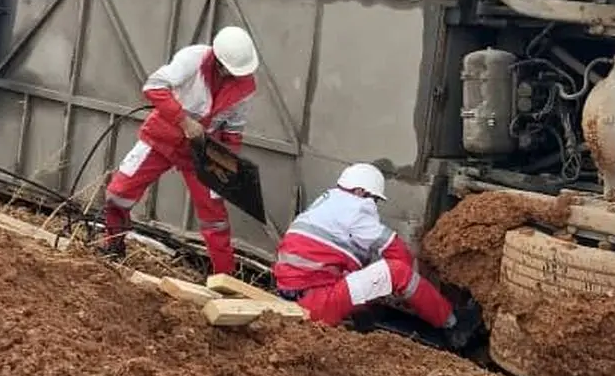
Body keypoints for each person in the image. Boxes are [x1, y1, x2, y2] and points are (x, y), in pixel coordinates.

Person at [101, 26, 258, 276]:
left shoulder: (245, 85)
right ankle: (113, 246)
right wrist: (184, 121)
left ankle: (224, 280)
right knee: (118, 194)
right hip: (164, 135)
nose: (232, 76)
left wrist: (225, 165)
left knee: (215, 218)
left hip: (204, 151)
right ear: (217, 60)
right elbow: (153, 87)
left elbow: (233, 131)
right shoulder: (193, 58)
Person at [272, 162, 480, 348]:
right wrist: (410, 291)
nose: (375, 205)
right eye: (375, 199)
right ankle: (453, 324)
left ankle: (361, 317)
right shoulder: (357, 208)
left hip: (293, 296)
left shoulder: (328, 201)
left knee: (362, 278)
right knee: (395, 273)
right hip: (316, 305)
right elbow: (398, 254)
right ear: (361, 192)